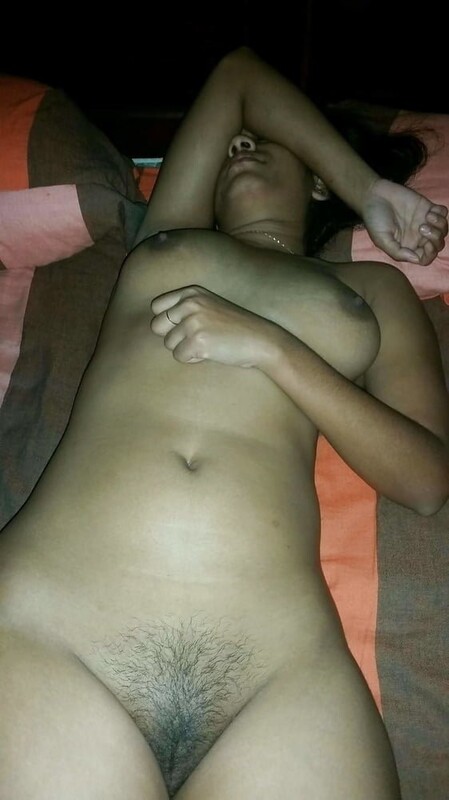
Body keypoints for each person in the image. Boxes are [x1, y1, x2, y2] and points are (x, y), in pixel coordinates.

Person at [1, 46, 448, 800]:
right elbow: (238, 75)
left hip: (279, 676)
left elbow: (427, 480)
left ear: (313, 175)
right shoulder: (167, 234)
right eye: (234, 143)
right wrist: (368, 188)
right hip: (53, 628)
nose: (239, 144)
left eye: (263, 142)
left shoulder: (373, 289)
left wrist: (272, 348)